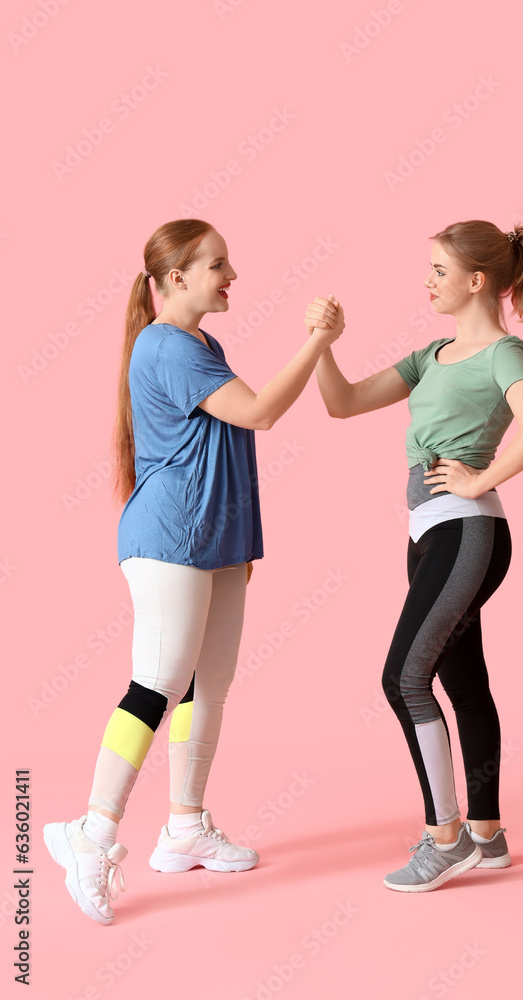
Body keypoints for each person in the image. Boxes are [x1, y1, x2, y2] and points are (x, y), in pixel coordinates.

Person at [43, 219, 344, 924]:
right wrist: (317, 342)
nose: (230, 274)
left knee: (209, 685)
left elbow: (224, 447)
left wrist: (237, 548)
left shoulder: (203, 342)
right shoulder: (166, 346)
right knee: (158, 683)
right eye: (217, 265)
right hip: (169, 540)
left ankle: (184, 827)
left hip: (214, 545)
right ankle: (90, 833)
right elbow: (260, 414)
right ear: (175, 278)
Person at [306, 219, 523, 892]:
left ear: (476, 281)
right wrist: (323, 344)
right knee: (461, 681)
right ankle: (488, 833)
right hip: (429, 534)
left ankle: (442, 837)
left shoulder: (502, 352)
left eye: (438, 272)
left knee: (403, 678)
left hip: (467, 530)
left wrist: (478, 478)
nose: (426, 282)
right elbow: (343, 403)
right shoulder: (430, 354)